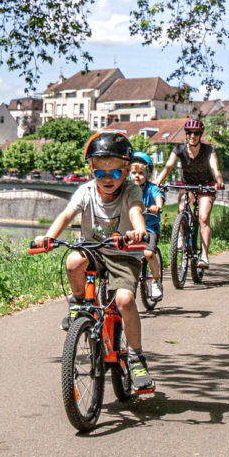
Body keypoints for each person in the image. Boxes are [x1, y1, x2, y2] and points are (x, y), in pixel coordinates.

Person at [34, 131, 154, 389]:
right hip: (94, 249)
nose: (108, 179)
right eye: (101, 173)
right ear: (91, 170)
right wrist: (49, 237)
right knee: (73, 262)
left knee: (124, 299)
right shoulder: (85, 191)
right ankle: (79, 303)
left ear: (126, 170)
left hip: (123, 254)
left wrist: (139, 230)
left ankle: (136, 356)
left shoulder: (131, 191)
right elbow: (67, 214)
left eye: (116, 173)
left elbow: (135, 211)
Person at [153, 117, 224, 271]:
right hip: (187, 184)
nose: (193, 136)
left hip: (206, 185)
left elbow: (215, 169)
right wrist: (157, 182)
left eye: (196, 133)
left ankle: (204, 255)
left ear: (200, 134)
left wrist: (219, 180)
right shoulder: (179, 149)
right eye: (189, 132)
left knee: (203, 217)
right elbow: (168, 166)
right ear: (186, 134)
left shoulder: (208, 150)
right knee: (182, 209)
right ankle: (180, 235)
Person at [129, 150, 164, 301]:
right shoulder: (127, 189)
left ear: (147, 174)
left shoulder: (151, 188)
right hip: (131, 229)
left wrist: (157, 206)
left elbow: (158, 197)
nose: (137, 176)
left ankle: (156, 280)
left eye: (141, 173)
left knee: (149, 254)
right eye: (134, 172)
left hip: (150, 229)